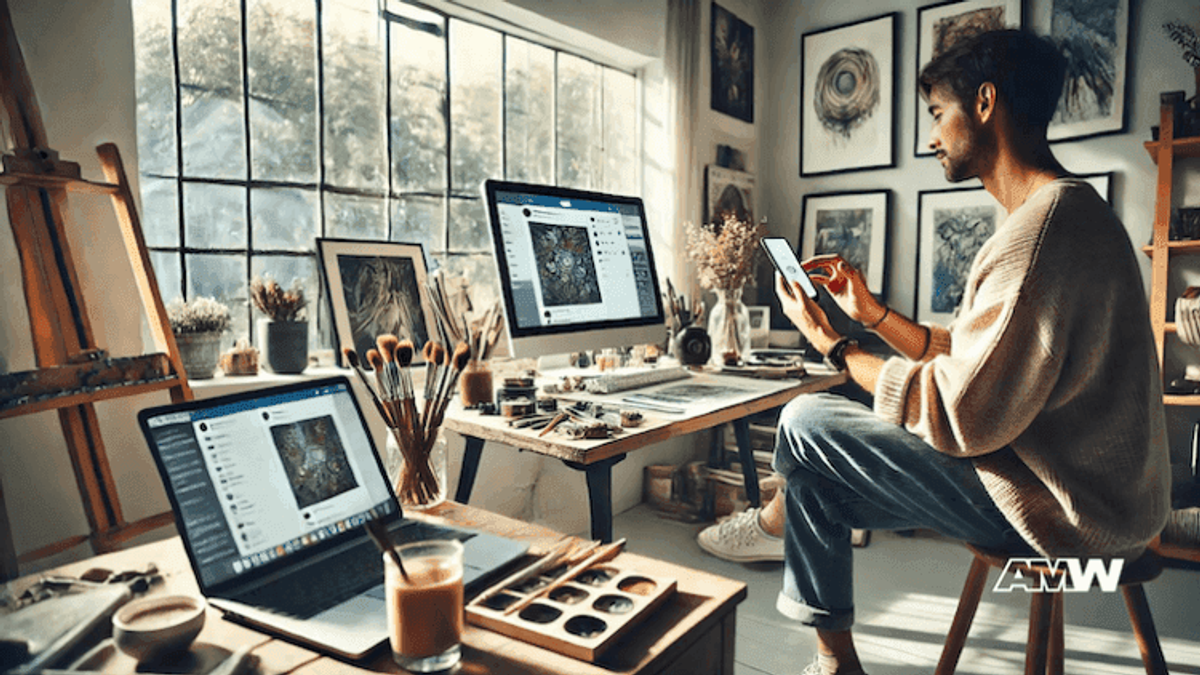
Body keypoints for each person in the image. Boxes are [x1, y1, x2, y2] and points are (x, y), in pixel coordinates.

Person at [696, 29, 1171, 675]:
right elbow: (992, 367)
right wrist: (875, 316)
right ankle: (834, 657)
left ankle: (771, 522)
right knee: (814, 478)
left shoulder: (1039, 233)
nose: (930, 137)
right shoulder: (1064, 215)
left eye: (936, 114)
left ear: (984, 102)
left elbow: (961, 414)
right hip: (1096, 496)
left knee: (806, 422)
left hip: (1069, 516)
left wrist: (832, 341)